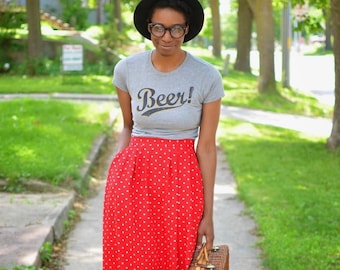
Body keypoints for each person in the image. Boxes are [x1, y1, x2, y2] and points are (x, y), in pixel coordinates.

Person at [102, 0, 224, 268]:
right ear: (149, 28)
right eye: (159, 28)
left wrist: (209, 214)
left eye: (175, 29)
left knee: (174, 260)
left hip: (182, 182)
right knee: (129, 260)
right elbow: (128, 125)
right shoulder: (127, 69)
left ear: (187, 29)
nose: (166, 37)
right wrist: (118, 168)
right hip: (132, 179)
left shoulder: (207, 76)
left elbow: (206, 147)